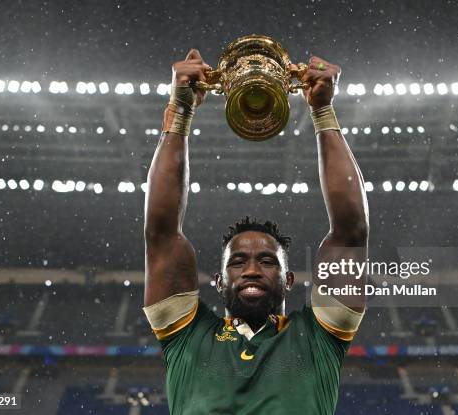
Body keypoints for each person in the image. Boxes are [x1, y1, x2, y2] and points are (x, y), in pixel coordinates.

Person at [143, 48, 369, 415]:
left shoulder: (317, 338)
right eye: (238, 262)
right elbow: (161, 234)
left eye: (267, 261)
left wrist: (323, 110)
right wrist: (180, 110)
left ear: (289, 279)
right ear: (218, 280)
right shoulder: (187, 337)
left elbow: (351, 234)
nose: (251, 270)